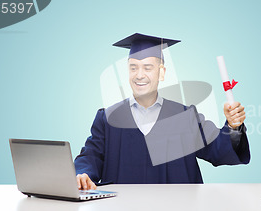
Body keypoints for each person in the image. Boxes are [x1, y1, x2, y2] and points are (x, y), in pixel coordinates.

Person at [74, 33, 250, 190]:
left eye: (148, 68)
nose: (139, 75)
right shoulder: (108, 118)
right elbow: (91, 156)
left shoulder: (185, 117)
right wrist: (82, 174)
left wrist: (233, 127)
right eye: (133, 68)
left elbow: (218, 148)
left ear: (162, 73)